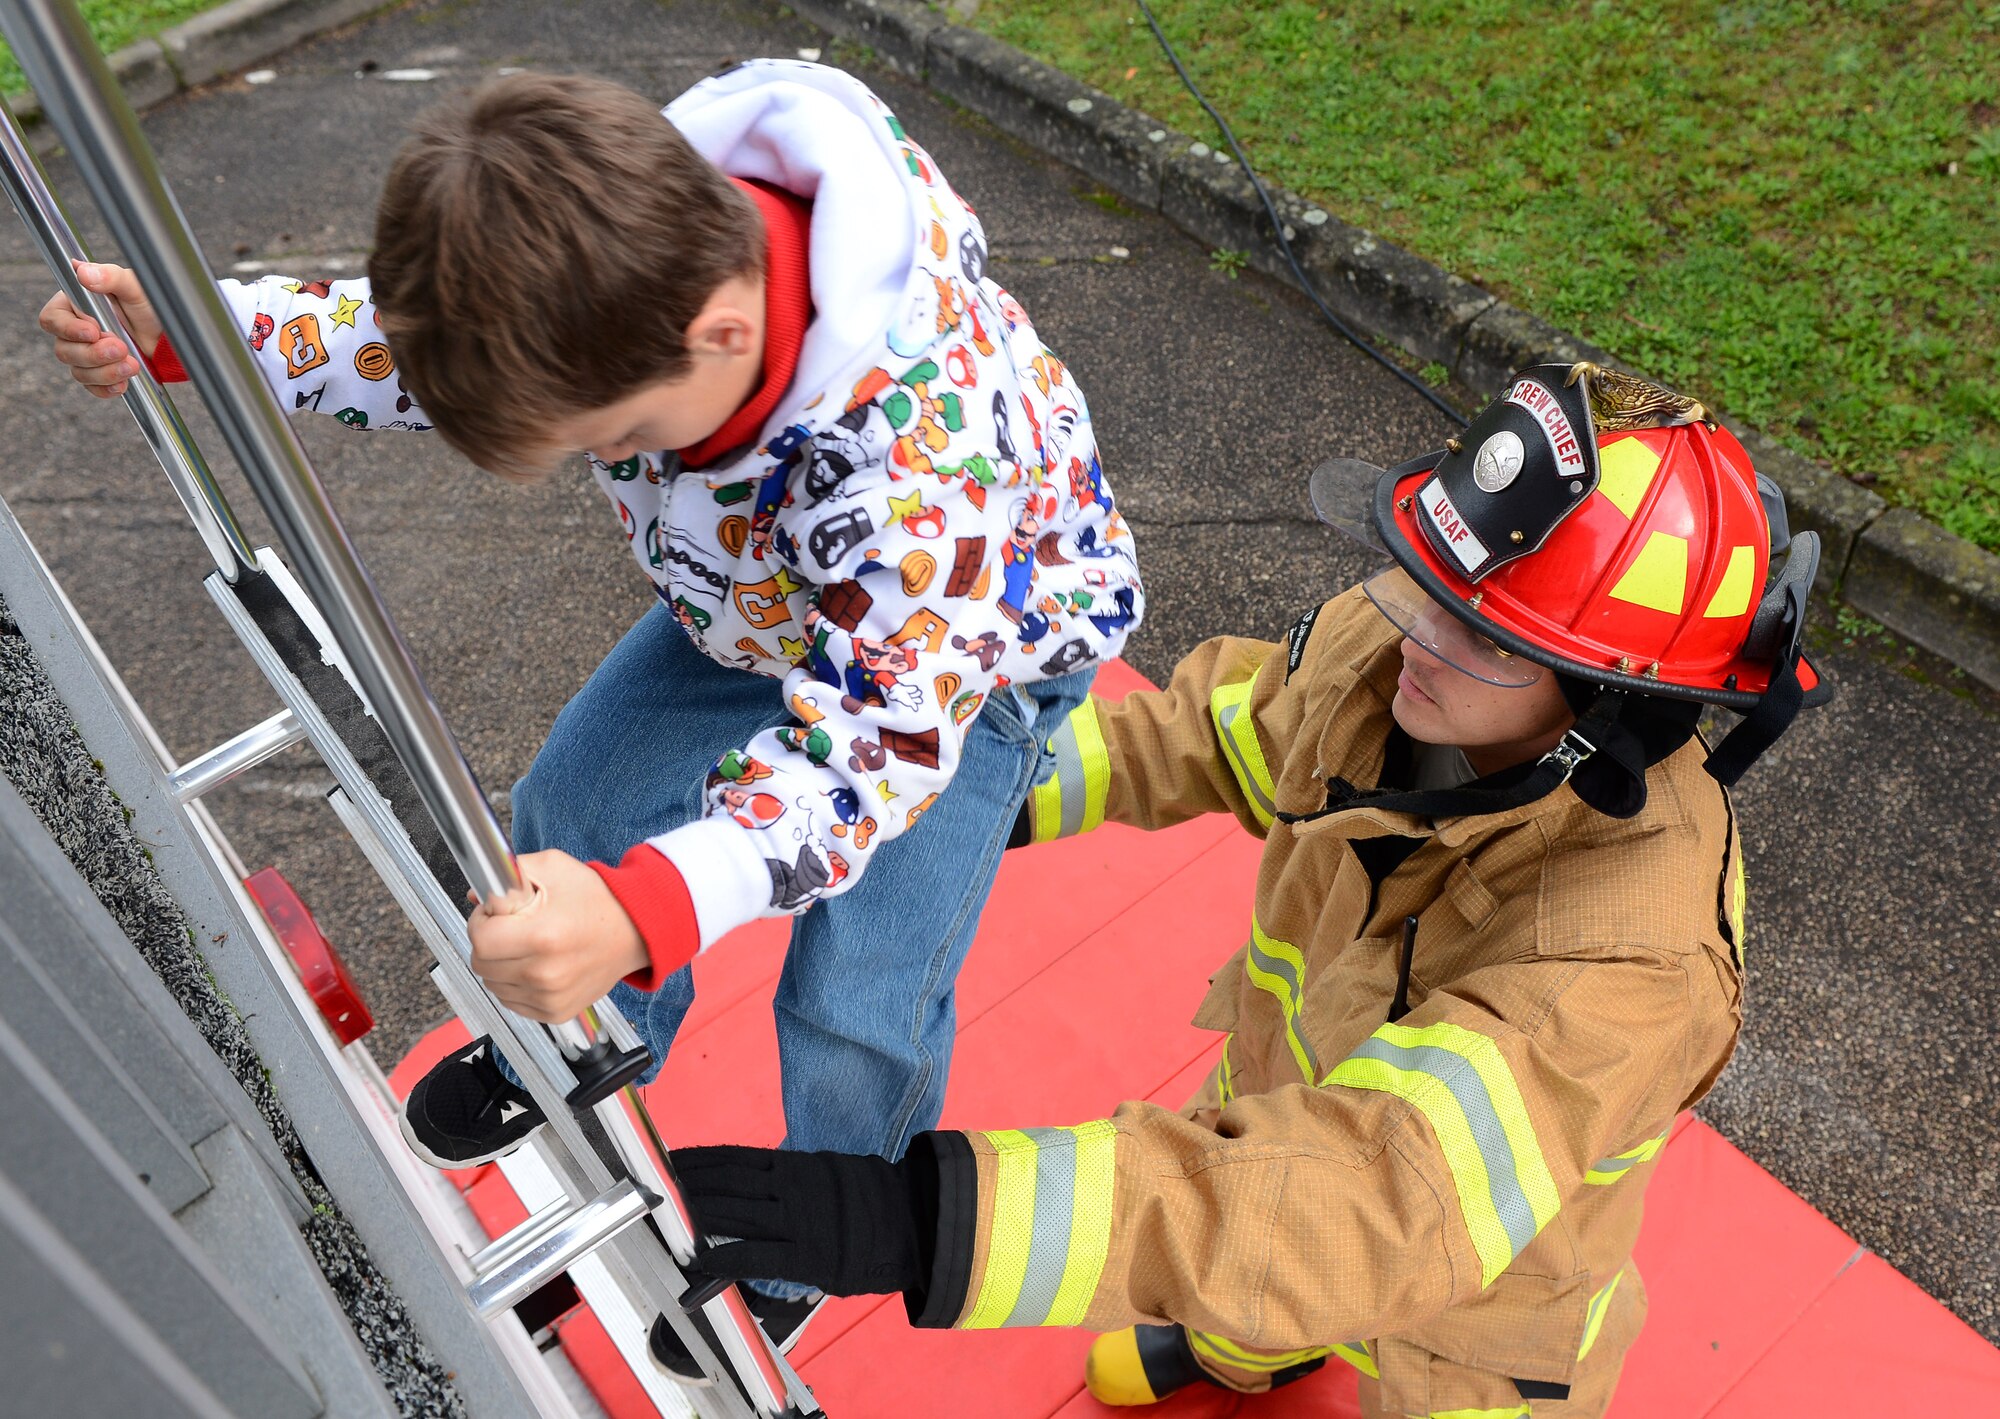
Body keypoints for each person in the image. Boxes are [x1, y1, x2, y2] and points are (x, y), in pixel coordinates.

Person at [39, 60, 1143, 1373]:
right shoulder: (625, 262)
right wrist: (196, 334)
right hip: (755, 599)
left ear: (720, 337)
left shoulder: (915, 472)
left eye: (612, 436)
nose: (603, 457)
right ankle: (600, 1034)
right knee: (571, 808)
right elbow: (424, 348)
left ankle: (824, 1215)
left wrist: (651, 907)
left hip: (965, 655)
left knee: (866, 981)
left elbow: (875, 748)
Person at [665, 364, 1830, 1416]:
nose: (1417, 632)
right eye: (1432, 581)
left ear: (1612, 704)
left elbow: (1377, 1197)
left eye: (1487, 635)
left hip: (1464, 1319)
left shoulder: (1633, 954)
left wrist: (921, 1221)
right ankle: (1246, 1348)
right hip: (1268, 1135)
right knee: (1243, 1270)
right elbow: (1207, 739)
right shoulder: (1401, 653)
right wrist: (959, 805)